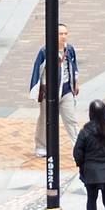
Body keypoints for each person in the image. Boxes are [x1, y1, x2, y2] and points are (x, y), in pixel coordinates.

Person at [31, 24, 82, 159]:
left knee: (71, 120)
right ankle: (41, 146)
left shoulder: (69, 49)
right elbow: (38, 71)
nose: (63, 36)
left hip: (66, 89)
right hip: (49, 91)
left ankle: (78, 148)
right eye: (61, 34)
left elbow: (74, 67)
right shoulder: (45, 51)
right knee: (45, 119)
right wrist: (38, 91)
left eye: (65, 33)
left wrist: (76, 82)